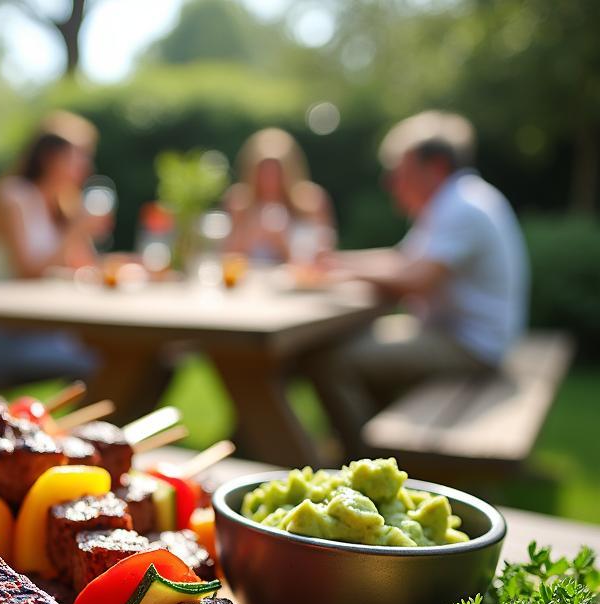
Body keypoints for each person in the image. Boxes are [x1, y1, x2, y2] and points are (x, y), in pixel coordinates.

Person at [308, 110, 529, 450]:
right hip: (462, 337)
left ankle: (363, 461)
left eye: (400, 171)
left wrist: (339, 268)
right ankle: (368, 450)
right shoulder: (454, 201)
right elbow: (402, 260)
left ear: (436, 166)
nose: (391, 182)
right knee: (349, 347)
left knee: (331, 361)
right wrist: (335, 262)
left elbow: (415, 279)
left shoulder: (462, 207)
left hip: (471, 346)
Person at [0, 112, 110, 383]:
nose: (86, 166)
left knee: (142, 357)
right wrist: (76, 230)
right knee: (109, 363)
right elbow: (28, 273)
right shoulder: (13, 196)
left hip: (51, 333)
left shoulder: (64, 205)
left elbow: (85, 270)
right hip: (9, 339)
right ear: (49, 156)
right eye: (79, 156)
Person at [225, 127, 335, 264]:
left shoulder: (312, 201)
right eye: (263, 172)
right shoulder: (239, 203)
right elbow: (225, 258)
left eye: (276, 172)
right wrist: (250, 235)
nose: (269, 180)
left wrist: (283, 243)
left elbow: (323, 258)